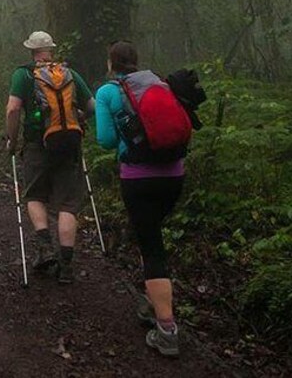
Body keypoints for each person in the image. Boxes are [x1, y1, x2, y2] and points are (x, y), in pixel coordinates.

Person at [95, 41, 187, 357]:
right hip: (174, 174)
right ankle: (153, 301)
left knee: (151, 248)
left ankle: (166, 329)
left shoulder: (108, 92)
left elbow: (106, 141)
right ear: (136, 61)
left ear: (111, 63)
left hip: (139, 177)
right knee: (153, 237)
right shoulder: (158, 82)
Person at [5, 31, 95, 284]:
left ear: (31, 51)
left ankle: (45, 247)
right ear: (51, 50)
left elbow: (13, 109)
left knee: (35, 195)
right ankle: (66, 265)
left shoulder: (23, 75)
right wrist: (77, 121)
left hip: (37, 144)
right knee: (67, 204)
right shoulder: (70, 74)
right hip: (69, 144)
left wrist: (12, 140)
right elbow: (92, 107)